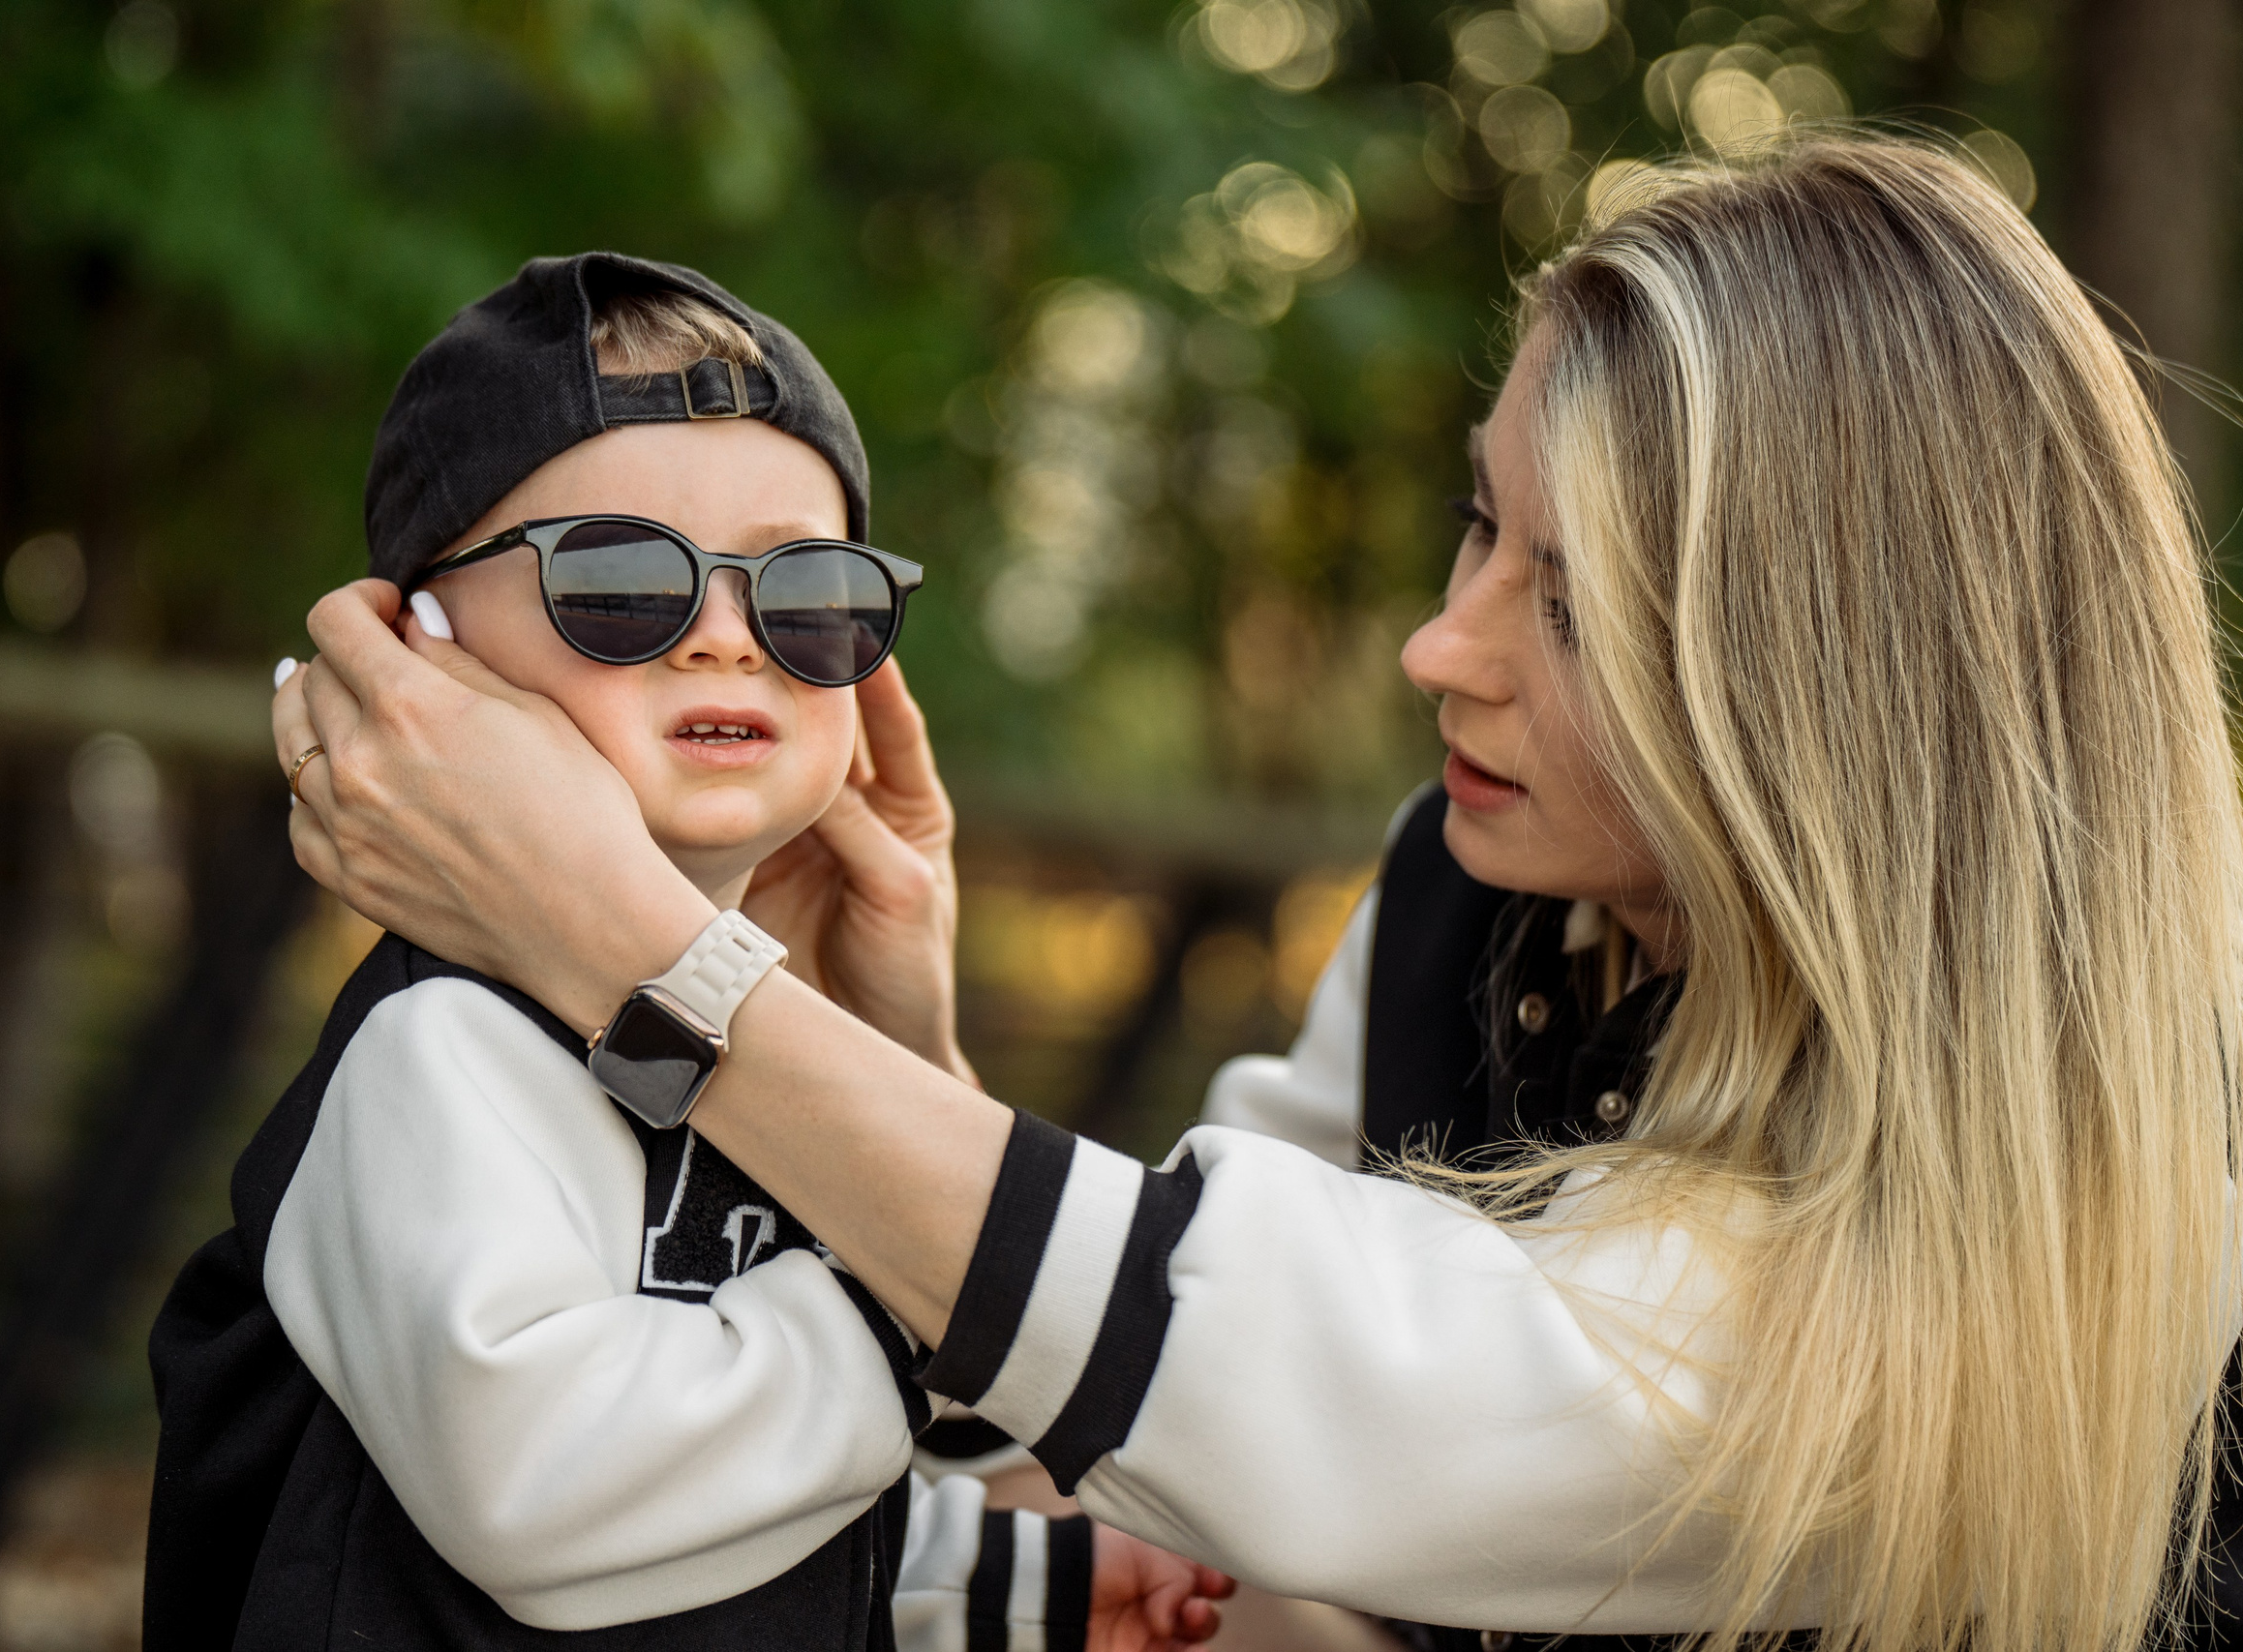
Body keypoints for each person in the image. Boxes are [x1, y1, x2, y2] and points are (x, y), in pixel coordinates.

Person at [271, 138, 2243, 1652]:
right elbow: (1160, 1420)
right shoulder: (1468, 899)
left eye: (1571, 608)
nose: (1435, 649)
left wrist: (638, 952)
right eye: (1478, 523)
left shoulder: (2060, 1186)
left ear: (1839, 698)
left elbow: (1297, 1392)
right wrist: (901, 1068)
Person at [142, 253, 1229, 1652]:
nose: (725, 637)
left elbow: (722, 1490)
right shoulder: (446, 1045)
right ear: (419, 650)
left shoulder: (752, 1045)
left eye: (806, 591)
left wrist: (1006, 1583)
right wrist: (915, 1286)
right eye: (616, 578)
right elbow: (547, 1488)